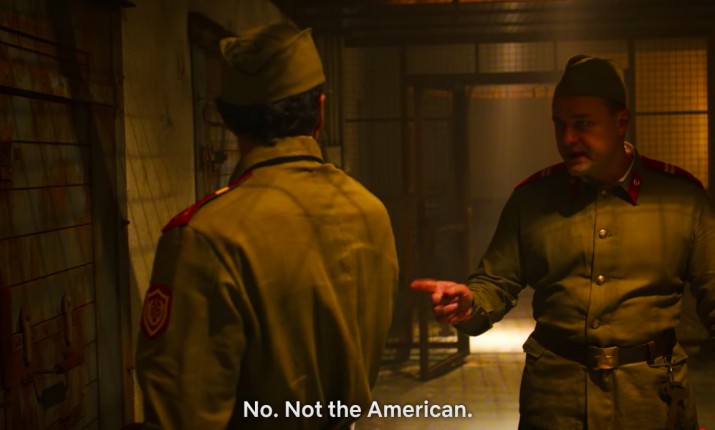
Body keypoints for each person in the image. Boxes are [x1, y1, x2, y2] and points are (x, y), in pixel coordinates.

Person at [412, 55, 715, 429]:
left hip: (650, 400)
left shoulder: (682, 199)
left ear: (621, 122)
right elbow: (496, 281)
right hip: (555, 399)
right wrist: (470, 305)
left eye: (583, 124)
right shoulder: (533, 199)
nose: (568, 138)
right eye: (560, 124)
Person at [135, 23, 398, 430]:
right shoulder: (370, 210)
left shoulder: (206, 236)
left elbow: (181, 413)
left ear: (228, 118)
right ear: (321, 111)